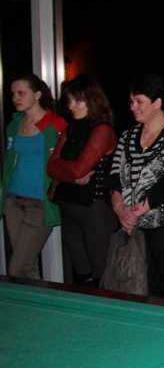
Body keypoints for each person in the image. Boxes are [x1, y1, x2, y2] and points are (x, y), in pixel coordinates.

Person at [109, 74, 164, 300]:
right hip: (134, 225)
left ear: (157, 103)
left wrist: (135, 212)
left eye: (139, 101)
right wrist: (120, 209)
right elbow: (114, 175)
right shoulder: (127, 136)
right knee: (142, 287)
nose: (133, 107)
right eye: (131, 102)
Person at [48, 74, 117, 286]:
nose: (71, 106)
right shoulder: (70, 128)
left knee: (100, 274)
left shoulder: (102, 129)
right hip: (69, 206)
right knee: (81, 275)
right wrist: (72, 177)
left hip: (93, 209)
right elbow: (51, 166)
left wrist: (66, 172)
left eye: (77, 100)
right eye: (70, 100)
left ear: (92, 100)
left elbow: (79, 169)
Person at [1, 74, 67, 279]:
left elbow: (68, 161)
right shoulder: (14, 124)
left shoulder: (55, 125)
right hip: (13, 202)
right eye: (13, 94)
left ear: (37, 95)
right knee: (27, 267)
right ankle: (38, 300)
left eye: (21, 93)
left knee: (17, 268)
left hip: (40, 205)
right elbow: (9, 164)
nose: (15, 98)